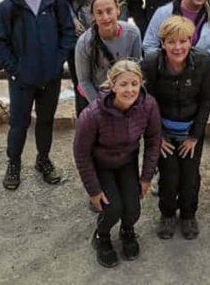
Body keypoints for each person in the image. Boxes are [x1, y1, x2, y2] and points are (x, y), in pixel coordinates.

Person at [0, 0, 76, 191]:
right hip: (22, 79)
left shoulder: (56, 2)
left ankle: (43, 159)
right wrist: (14, 70)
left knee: (46, 121)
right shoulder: (8, 7)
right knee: (18, 123)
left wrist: (58, 61)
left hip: (50, 77)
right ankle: (14, 163)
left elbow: (68, 32)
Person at [73, 60, 161, 269]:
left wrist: (146, 177)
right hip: (101, 164)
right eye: (123, 84)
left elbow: (153, 140)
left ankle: (127, 230)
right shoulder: (92, 115)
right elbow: (81, 154)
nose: (130, 90)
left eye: (134, 84)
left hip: (127, 162)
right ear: (113, 86)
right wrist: (93, 190)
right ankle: (102, 235)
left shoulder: (148, 105)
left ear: (141, 84)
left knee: (133, 209)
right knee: (112, 209)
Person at [142, 16, 210, 241]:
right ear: (162, 43)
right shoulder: (151, 63)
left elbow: (206, 100)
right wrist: (157, 137)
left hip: (190, 130)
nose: (178, 47)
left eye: (183, 41)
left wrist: (195, 136)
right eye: (171, 42)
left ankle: (189, 214)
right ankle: (167, 214)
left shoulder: (203, 61)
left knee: (190, 176)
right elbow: (147, 103)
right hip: (163, 131)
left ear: (191, 41)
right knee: (169, 176)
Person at [61, 0, 134, 114]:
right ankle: (85, 122)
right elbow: (62, 0)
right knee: (83, 87)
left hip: (112, 38)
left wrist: (120, 25)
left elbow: (126, 0)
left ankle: (111, 122)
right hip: (81, 37)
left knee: (115, 82)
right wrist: (72, 20)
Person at [73, 0, 142, 103]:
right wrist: (99, 107)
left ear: (118, 10)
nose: (105, 17)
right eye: (99, 13)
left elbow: (137, 69)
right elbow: (84, 81)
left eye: (109, 11)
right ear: (93, 16)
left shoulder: (133, 34)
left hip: (126, 93)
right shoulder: (84, 43)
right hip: (96, 95)